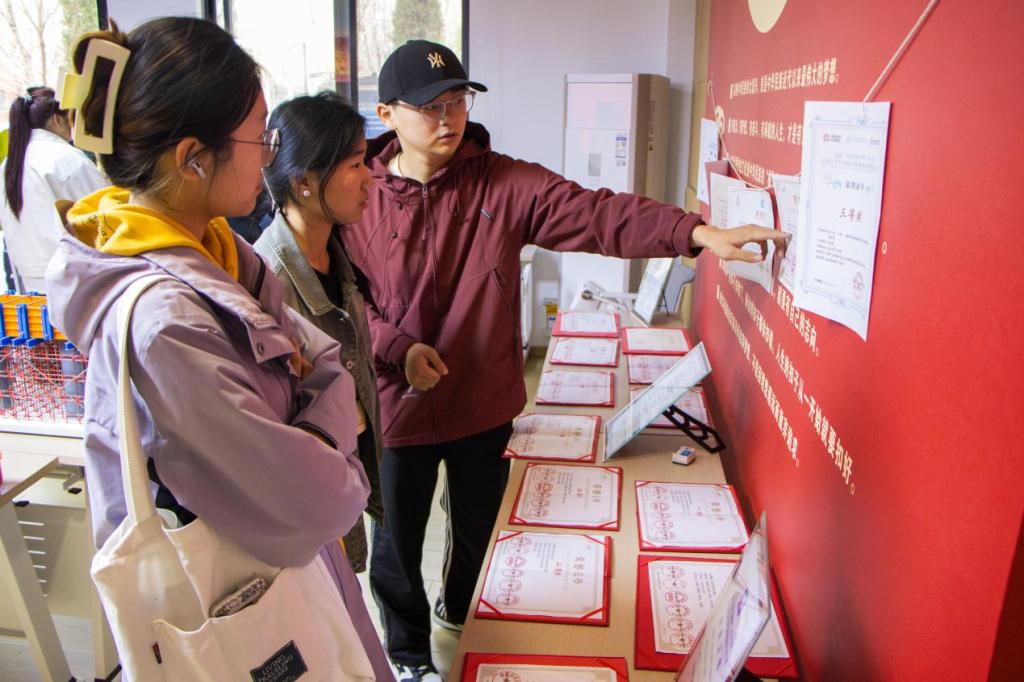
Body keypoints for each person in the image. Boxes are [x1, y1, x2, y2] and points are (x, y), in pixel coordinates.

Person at [343, 39, 789, 681]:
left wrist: (694, 232)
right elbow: (348, 300)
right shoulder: (359, 195)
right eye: (429, 107)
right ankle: (409, 655)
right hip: (395, 407)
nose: (447, 118)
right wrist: (396, 349)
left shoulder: (503, 182)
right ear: (387, 113)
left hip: (481, 404)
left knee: (476, 527)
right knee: (395, 542)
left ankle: (460, 612)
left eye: (457, 102)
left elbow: (598, 213)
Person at [44, 18, 392, 680]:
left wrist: (310, 427)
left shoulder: (221, 253)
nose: (267, 156)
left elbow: (329, 362)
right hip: (245, 601)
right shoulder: (165, 322)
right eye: (259, 137)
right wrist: (332, 442)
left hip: (290, 577)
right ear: (193, 157)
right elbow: (312, 501)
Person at [254, 92, 383, 575]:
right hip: (308, 489)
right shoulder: (268, 280)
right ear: (304, 182)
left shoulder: (338, 252)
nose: (369, 178)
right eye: (354, 164)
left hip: (346, 463)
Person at [0, 86, 106, 292]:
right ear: (58, 119)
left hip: (29, 281)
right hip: (73, 278)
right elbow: (106, 213)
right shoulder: (64, 158)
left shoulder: (10, 164)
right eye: (70, 117)